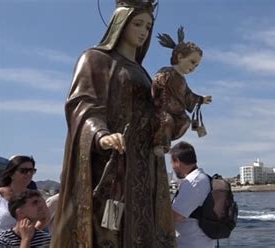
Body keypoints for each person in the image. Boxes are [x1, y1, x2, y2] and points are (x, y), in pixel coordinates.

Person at [51, 1, 175, 247]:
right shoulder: (95, 59)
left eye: (148, 27)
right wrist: (100, 133)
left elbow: (153, 116)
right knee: (107, 229)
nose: (143, 31)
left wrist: (170, 120)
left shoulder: (143, 73)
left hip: (144, 168)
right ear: (120, 22)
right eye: (137, 24)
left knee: (140, 228)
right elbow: (82, 104)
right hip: (111, 164)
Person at [151, 26, 212, 155]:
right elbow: (156, 82)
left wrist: (201, 99)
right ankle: (161, 145)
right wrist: (159, 83)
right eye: (192, 62)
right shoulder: (167, 72)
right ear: (180, 57)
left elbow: (188, 95)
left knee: (185, 121)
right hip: (162, 109)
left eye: (196, 65)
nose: (193, 67)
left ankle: (166, 140)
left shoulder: (183, 80)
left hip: (178, 113)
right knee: (166, 121)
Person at [169, 141, 213, 248]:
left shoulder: (193, 182)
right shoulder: (201, 178)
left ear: (177, 161)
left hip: (191, 244)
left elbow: (176, 215)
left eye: (171, 163)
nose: (172, 168)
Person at [0, 155, 49, 233]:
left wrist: (29, 235)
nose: (29, 174)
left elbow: (45, 218)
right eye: (23, 171)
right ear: (11, 174)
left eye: (32, 171)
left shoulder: (36, 197)